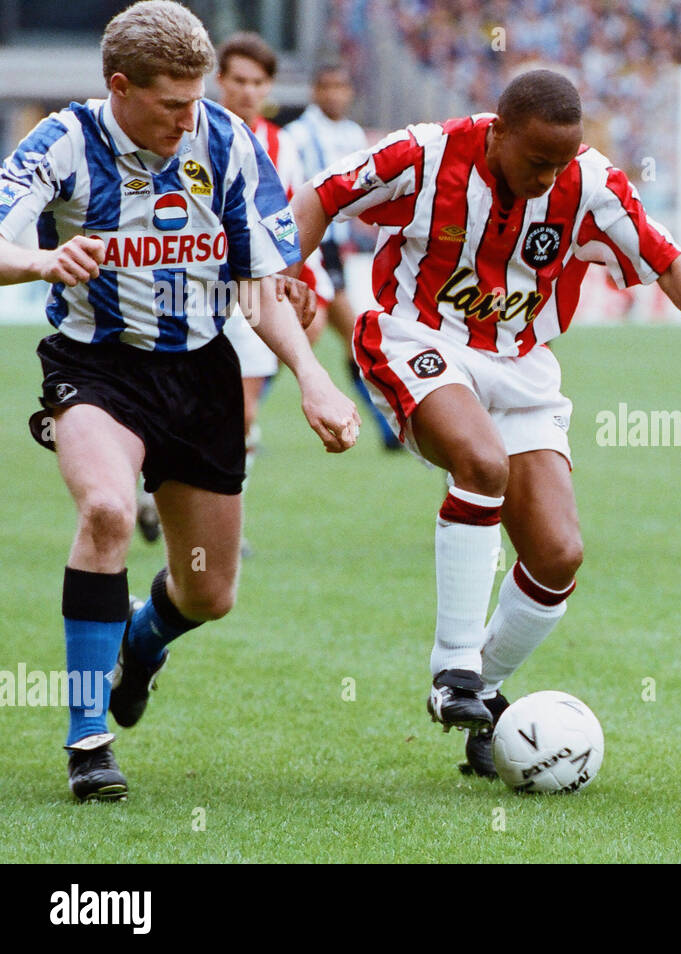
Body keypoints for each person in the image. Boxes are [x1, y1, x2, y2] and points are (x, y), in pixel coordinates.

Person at [291, 69, 681, 778]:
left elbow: (666, 260)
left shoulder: (591, 185)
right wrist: (280, 268)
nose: (551, 177)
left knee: (557, 557)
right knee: (482, 463)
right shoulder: (424, 154)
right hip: (418, 340)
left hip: (521, 367)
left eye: (562, 162)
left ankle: (481, 696)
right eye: (537, 161)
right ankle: (453, 667)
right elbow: (320, 197)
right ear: (499, 132)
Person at [0, 0, 360, 801]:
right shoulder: (62, 143)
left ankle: (141, 642)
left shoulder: (227, 142)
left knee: (208, 593)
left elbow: (262, 286)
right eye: (171, 103)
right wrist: (42, 263)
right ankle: (88, 741)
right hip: (96, 368)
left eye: (196, 99)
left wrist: (312, 375)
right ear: (120, 87)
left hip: (201, 375)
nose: (188, 117)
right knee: (106, 511)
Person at [215, 31, 336, 528]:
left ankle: (225, 528)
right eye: (238, 80)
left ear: (269, 88)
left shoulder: (280, 144)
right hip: (192, 289)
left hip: (252, 288)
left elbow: (289, 220)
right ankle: (154, 494)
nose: (247, 91)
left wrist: (301, 280)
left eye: (257, 82)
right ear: (218, 81)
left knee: (239, 414)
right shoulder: (189, 130)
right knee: (187, 408)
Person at [285, 62, 400, 449]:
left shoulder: (352, 134)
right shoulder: (296, 136)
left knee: (337, 335)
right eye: (327, 86)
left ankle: (388, 432)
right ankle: (241, 410)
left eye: (341, 86)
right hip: (308, 244)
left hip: (336, 249)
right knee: (323, 332)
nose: (335, 94)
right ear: (315, 91)